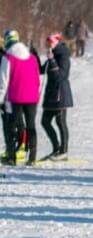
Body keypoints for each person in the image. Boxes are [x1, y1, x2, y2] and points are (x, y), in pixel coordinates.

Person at [0, 30, 41, 166]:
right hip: (32, 97)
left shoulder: (8, 58)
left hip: (15, 98)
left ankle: (12, 157)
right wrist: (37, 95)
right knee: (31, 126)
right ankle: (32, 157)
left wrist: (1, 99)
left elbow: (3, 82)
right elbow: (37, 79)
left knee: (12, 126)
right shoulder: (32, 58)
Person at [40, 33, 73, 161]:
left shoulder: (63, 54)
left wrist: (52, 60)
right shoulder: (52, 54)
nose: (49, 44)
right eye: (48, 42)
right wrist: (34, 56)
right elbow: (41, 70)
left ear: (57, 42)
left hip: (61, 95)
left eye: (51, 42)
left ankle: (64, 151)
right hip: (50, 95)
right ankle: (56, 148)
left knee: (60, 122)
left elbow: (61, 75)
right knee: (45, 122)